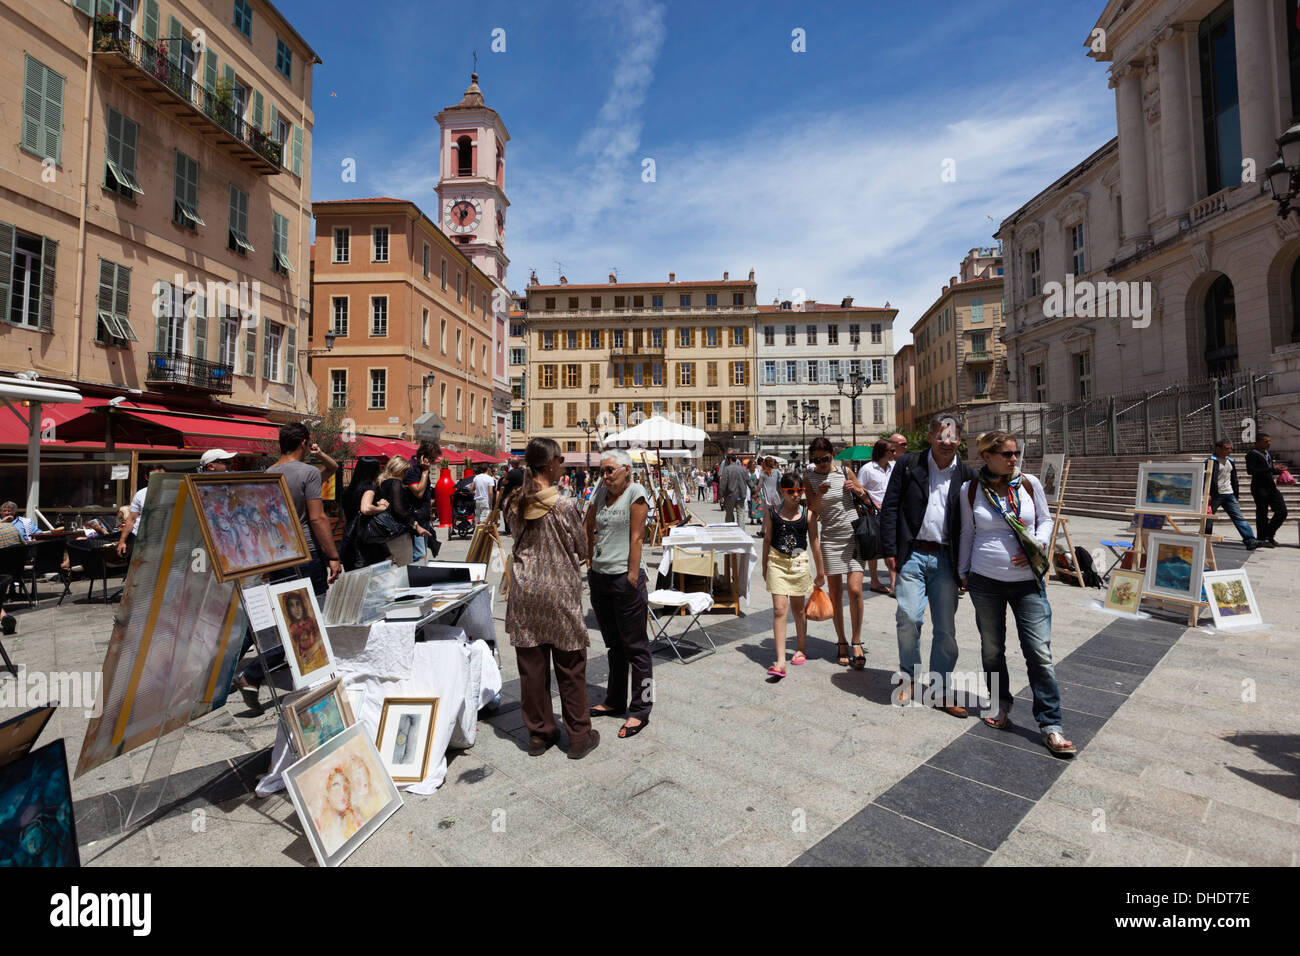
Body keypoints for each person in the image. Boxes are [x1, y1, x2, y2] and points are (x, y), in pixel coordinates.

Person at [959, 431, 1074, 756]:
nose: (1014, 459)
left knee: (1039, 652)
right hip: (985, 580)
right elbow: (968, 532)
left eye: (1015, 453)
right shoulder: (970, 491)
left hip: (1027, 580)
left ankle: (1051, 724)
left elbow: (1046, 519)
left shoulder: (1029, 484)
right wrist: (962, 572)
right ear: (987, 456)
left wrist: (1037, 543)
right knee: (992, 649)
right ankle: (1000, 704)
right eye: (1007, 454)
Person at [505, 437, 600, 759]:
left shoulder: (514, 501)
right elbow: (582, 547)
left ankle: (538, 735)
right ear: (549, 464)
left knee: (532, 669)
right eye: (560, 458)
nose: (562, 463)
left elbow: (512, 533)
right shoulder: (563, 505)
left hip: (524, 590)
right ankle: (578, 736)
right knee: (570, 668)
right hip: (558, 591)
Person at [881, 415, 977, 716]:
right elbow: (890, 508)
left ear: (959, 440)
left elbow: (975, 522)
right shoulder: (909, 465)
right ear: (930, 436)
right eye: (941, 436)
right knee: (908, 616)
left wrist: (969, 566)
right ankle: (908, 675)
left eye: (952, 437)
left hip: (947, 559)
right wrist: (889, 549)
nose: (946, 442)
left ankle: (940, 690)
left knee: (946, 629)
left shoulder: (968, 475)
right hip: (912, 553)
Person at [585, 449, 652, 739]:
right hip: (600, 577)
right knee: (614, 645)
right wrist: (589, 561)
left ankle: (641, 708)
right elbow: (588, 526)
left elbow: (637, 536)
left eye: (610, 470)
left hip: (625, 578)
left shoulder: (636, 492)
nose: (605, 475)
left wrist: (633, 575)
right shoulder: (600, 494)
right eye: (602, 470)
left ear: (627, 469)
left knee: (636, 647)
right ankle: (614, 700)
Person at [803, 436, 870, 668]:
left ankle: (857, 640)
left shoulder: (845, 471)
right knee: (835, 593)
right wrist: (820, 493)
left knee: (855, 590)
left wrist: (857, 489)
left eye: (826, 458)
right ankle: (841, 640)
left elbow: (866, 496)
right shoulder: (809, 477)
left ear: (832, 454)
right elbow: (812, 509)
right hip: (830, 538)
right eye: (817, 459)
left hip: (853, 535)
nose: (822, 463)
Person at [266, 423, 343, 594]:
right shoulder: (308, 473)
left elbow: (333, 468)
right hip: (306, 550)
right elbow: (317, 518)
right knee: (315, 605)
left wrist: (320, 453)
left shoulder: (268, 473)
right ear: (303, 444)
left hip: (279, 553)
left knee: (287, 607)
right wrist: (333, 556)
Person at [762, 473, 824, 678]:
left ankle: (801, 648)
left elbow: (814, 542)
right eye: (791, 491)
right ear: (783, 491)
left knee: (798, 610)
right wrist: (764, 566)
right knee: (780, 609)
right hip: (777, 562)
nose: (796, 495)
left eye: (800, 491)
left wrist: (820, 571)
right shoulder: (771, 513)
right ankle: (780, 661)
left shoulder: (807, 515)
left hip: (799, 563)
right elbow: (767, 539)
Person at [857, 438, 899, 596]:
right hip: (873, 512)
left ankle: (894, 583)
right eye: (892, 451)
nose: (894, 454)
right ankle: (874, 580)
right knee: (873, 547)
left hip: (891, 512)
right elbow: (860, 490)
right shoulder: (867, 469)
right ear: (883, 452)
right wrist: (870, 503)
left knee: (892, 547)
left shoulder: (894, 467)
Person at [374, 455, 428, 567]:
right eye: (406, 471)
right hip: (398, 534)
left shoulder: (380, 483)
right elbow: (398, 509)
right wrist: (416, 525)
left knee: (386, 569)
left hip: (383, 533)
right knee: (405, 568)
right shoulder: (395, 483)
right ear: (400, 470)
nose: (406, 475)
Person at [1206, 439, 1260, 550]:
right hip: (1215, 495)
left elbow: (1233, 478)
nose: (1230, 451)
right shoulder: (1210, 461)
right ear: (1218, 449)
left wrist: (1236, 492)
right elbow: (1204, 479)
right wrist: (1207, 493)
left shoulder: (1230, 461)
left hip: (1229, 493)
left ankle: (1250, 540)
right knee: (1208, 518)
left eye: (1231, 448)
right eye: (1227, 448)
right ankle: (1205, 540)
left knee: (1239, 517)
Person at [1245, 433, 1288, 547]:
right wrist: (1271, 468)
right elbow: (1251, 470)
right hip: (1259, 487)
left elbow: (1269, 470)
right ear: (1258, 442)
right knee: (1262, 513)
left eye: (1269, 441)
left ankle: (1269, 533)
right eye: (1266, 441)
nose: (1269, 443)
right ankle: (1262, 538)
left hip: (1271, 487)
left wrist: (1278, 470)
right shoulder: (1252, 454)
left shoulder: (1268, 453)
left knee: (1282, 511)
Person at [116, 464, 166, 557]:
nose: (159, 480)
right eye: (155, 477)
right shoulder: (140, 494)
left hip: (162, 541)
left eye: (162, 476)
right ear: (147, 477)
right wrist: (122, 542)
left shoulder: (174, 493)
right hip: (140, 540)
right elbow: (131, 519)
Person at [405, 441, 440, 563]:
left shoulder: (421, 468)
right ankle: (417, 580)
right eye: (433, 458)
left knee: (423, 553)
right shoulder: (412, 469)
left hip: (423, 517)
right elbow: (418, 493)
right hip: (415, 519)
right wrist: (425, 472)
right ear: (424, 456)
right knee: (419, 555)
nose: (434, 462)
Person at [719, 452, 748, 523]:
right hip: (741, 495)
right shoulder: (743, 469)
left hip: (730, 495)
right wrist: (754, 492)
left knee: (729, 514)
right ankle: (741, 532)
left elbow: (723, 484)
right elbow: (749, 481)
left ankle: (730, 531)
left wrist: (721, 495)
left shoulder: (726, 469)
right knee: (740, 514)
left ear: (729, 460)